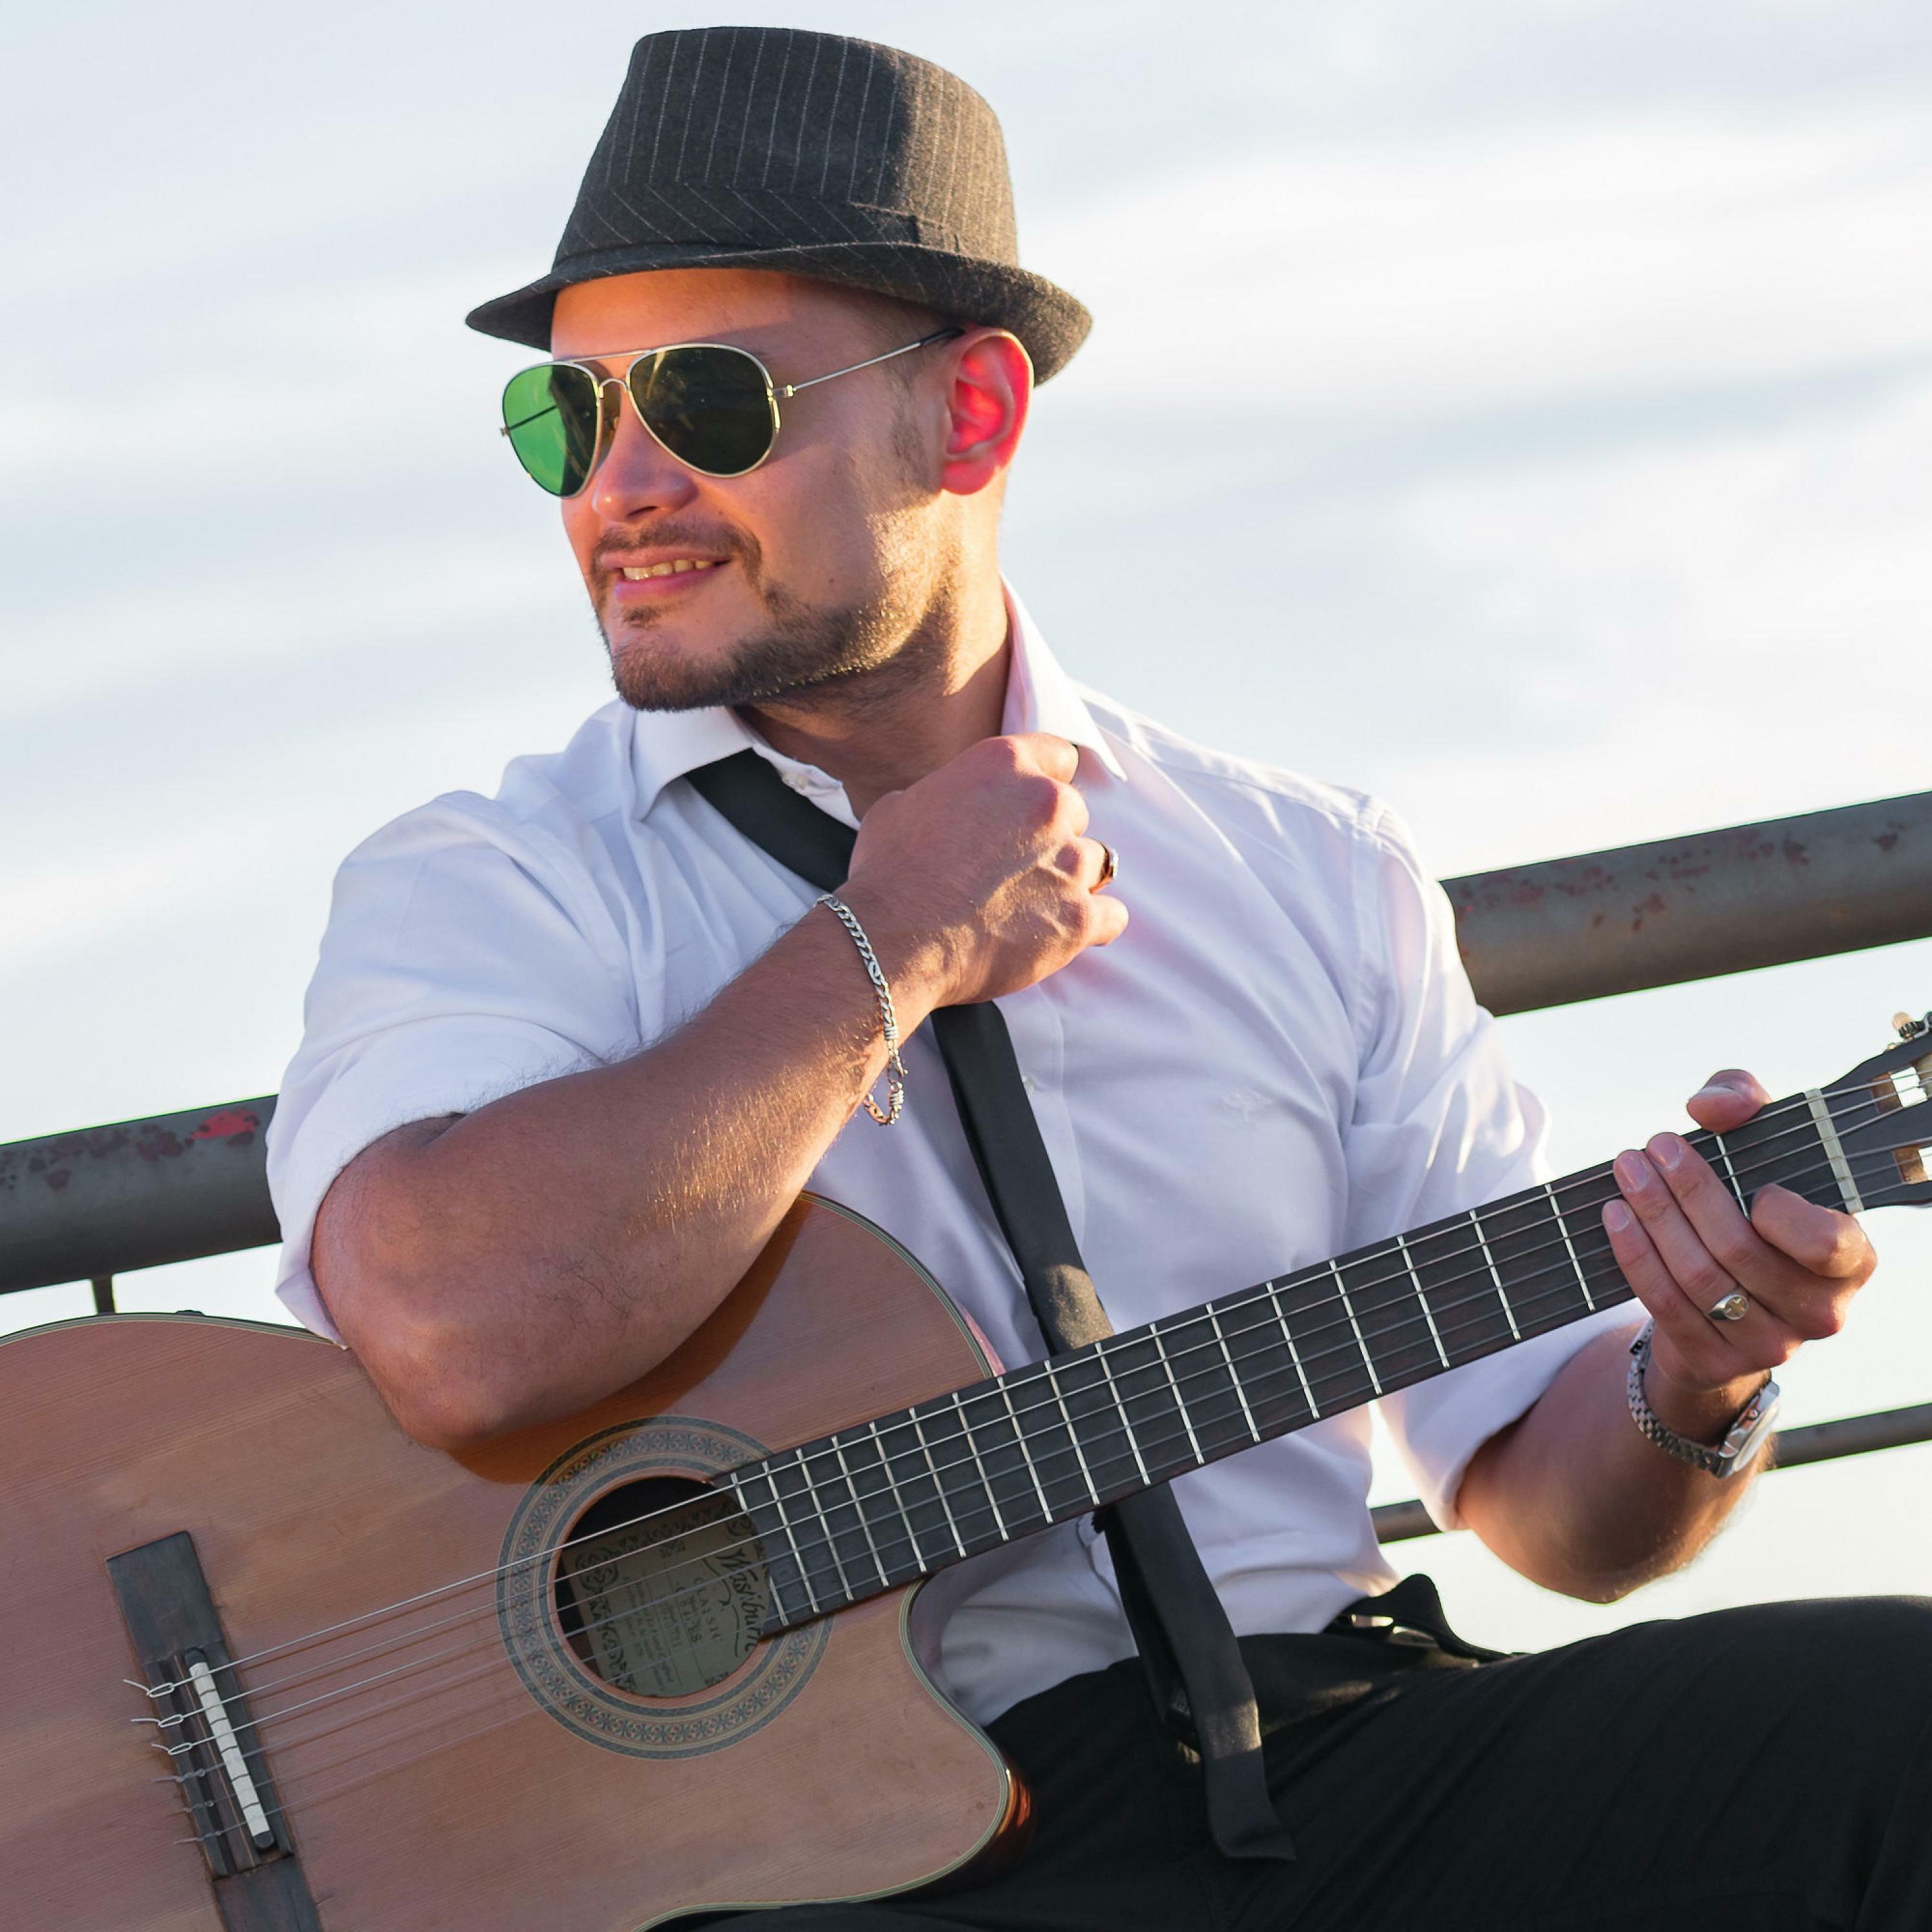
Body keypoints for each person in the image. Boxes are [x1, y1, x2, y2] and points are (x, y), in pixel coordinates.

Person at [267, 28, 1927, 1930]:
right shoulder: (494, 884)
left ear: (970, 416)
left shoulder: (1310, 871)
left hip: (1330, 1766)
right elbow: (454, 1326)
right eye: (567, 419)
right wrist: (888, 943)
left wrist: (1698, 1376)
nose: (620, 488)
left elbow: (1554, 1516)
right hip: (819, 1872)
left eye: (711, 401)